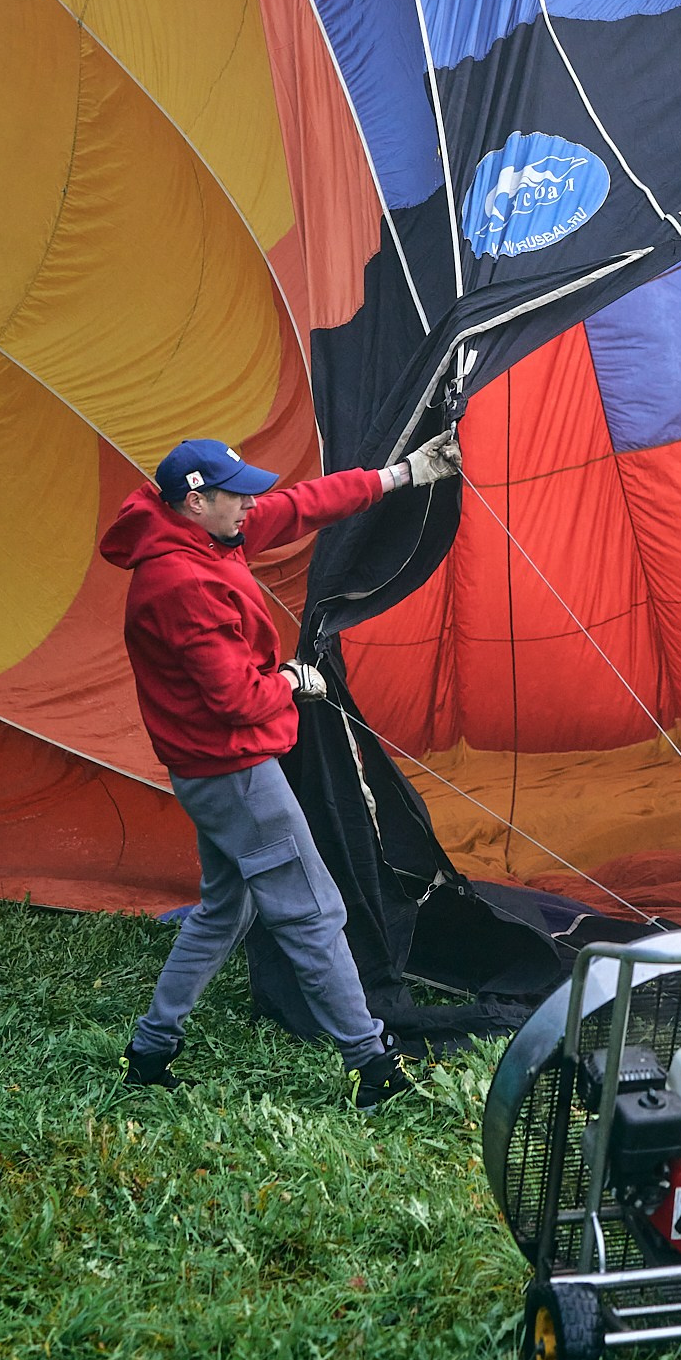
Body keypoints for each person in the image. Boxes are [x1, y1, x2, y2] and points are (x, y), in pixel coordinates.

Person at [102, 430, 462, 1103]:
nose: (249, 506)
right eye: (235, 497)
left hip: (207, 772)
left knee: (223, 913)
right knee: (313, 911)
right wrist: (295, 683)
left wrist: (405, 475)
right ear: (196, 499)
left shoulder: (204, 533)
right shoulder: (180, 582)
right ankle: (373, 1068)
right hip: (233, 773)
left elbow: (300, 505)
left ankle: (150, 1051)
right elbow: (237, 698)